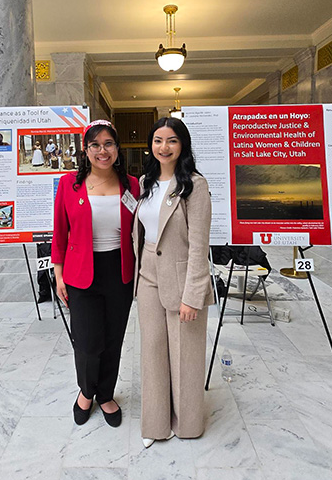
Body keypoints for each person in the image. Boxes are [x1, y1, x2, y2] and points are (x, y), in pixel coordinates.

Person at [51, 119, 140, 428]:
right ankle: (86, 392)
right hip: (79, 273)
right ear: (85, 150)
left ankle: (106, 394)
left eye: (109, 144)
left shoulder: (132, 184)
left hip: (120, 271)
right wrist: (59, 275)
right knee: (88, 341)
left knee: (113, 338)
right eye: (95, 145)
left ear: (117, 148)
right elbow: (60, 234)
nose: (103, 151)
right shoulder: (68, 185)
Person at [133, 117, 213, 448]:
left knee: (185, 355)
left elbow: (199, 244)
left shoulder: (195, 185)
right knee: (152, 350)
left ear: (183, 145)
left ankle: (188, 424)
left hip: (182, 276)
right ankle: (155, 424)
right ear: (150, 145)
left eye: (172, 141)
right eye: (157, 140)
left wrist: (193, 295)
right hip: (148, 273)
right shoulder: (145, 182)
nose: (164, 147)